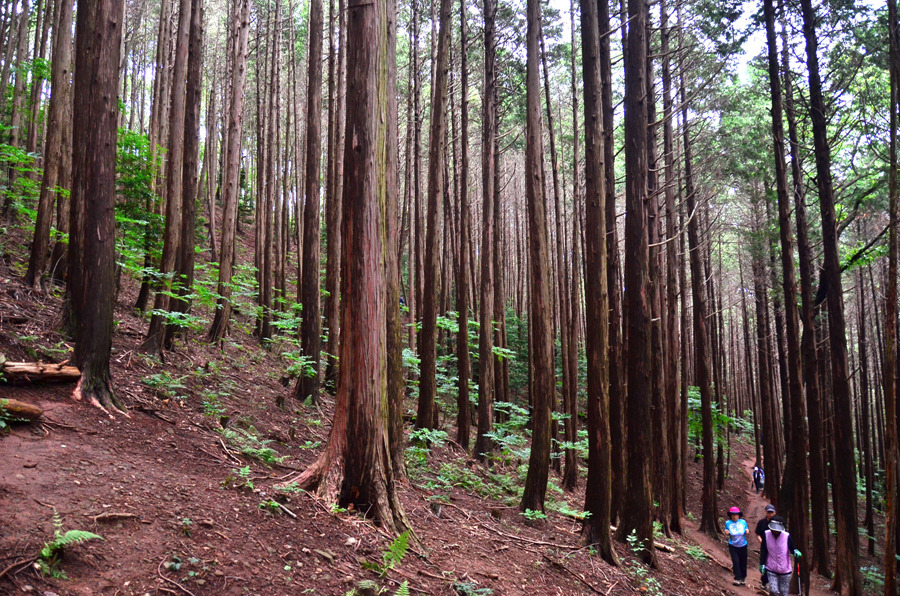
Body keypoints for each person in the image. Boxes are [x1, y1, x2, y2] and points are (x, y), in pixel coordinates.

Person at [759, 516, 801, 596]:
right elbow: (763, 550)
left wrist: (795, 551)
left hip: (785, 570)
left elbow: (792, 548)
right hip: (771, 568)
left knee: (783, 592)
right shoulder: (766, 534)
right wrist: (762, 564)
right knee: (773, 591)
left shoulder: (786, 536)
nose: (775, 531)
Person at [725, 506, 750, 586]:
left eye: (736, 515)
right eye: (733, 515)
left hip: (743, 545)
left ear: (739, 515)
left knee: (743, 562)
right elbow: (726, 530)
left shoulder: (743, 522)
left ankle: (743, 577)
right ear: (730, 515)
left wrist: (747, 531)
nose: (735, 516)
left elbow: (746, 529)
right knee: (736, 562)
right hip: (733, 545)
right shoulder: (728, 523)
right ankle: (737, 578)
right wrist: (727, 532)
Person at [755, 504, 777, 586]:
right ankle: (764, 582)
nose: (770, 514)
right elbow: (757, 532)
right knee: (764, 563)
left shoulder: (777, 522)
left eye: (771, 512)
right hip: (764, 546)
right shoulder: (761, 522)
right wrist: (759, 538)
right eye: (768, 512)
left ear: (774, 513)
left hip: (774, 547)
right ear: (766, 512)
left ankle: (773, 583)